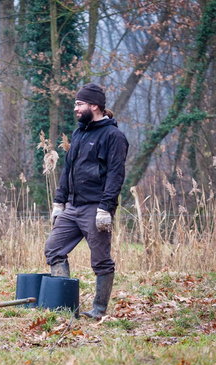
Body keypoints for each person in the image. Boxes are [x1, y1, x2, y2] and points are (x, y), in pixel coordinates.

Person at [44, 83, 128, 319]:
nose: (75, 108)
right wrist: (59, 203)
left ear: (95, 105)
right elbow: (68, 169)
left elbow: (115, 174)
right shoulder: (79, 133)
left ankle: (99, 310)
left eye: (79, 104)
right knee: (54, 249)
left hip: (96, 208)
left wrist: (106, 209)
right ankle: (66, 307)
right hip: (73, 207)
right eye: (75, 104)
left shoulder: (114, 136)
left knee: (101, 260)